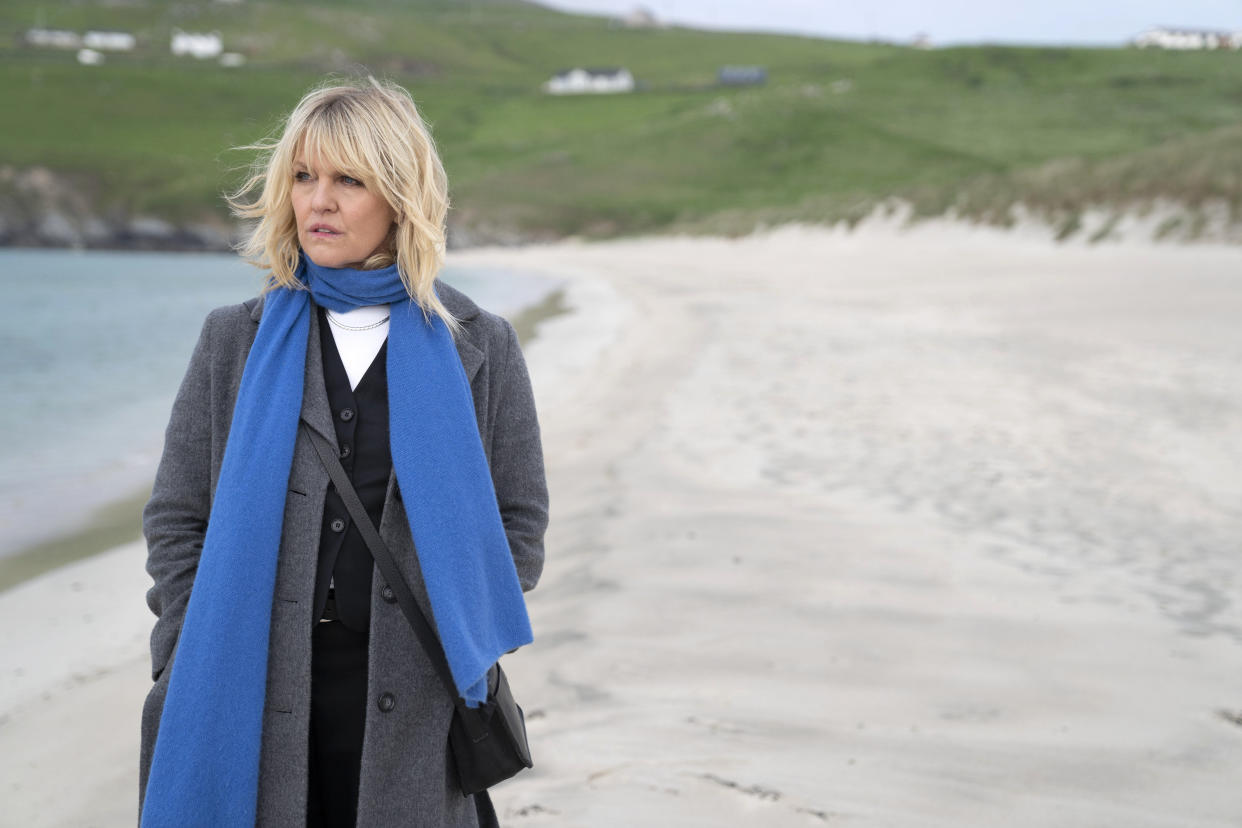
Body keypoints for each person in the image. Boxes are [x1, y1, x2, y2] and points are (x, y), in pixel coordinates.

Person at [138, 76, 548, 828]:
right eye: (304, 176)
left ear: (399, 196)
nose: (317, 201)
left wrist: (466, 633)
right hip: (250, 683)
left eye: (347, 181)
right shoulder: (234, 340)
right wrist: (185, 651)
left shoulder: (480, 345)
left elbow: (518, 519)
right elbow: (176, 516)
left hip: (415, 695)